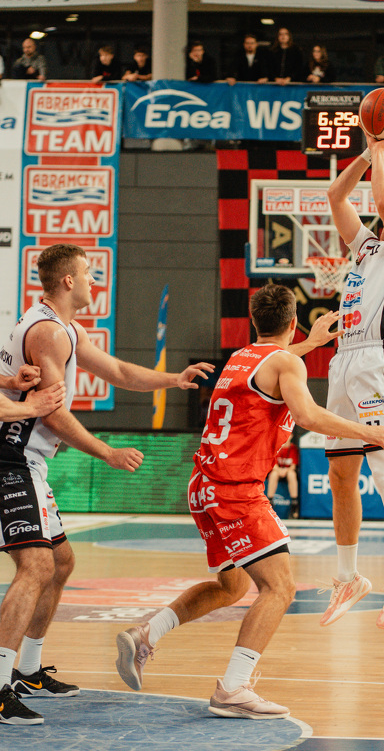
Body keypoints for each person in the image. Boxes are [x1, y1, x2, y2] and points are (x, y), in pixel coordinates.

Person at [114, 290, 384, 719]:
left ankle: (146, 634)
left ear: (254, 322)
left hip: (203, 485)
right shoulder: (286, 364)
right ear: (293, 323)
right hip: (235, 489)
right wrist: (369, 431)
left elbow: (277, 363)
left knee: (231, 587)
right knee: (280, 587)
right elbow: (307, 416)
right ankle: (233, 688)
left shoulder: (241, 357)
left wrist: (310, 344)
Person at [0, 243, 213, 727]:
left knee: (60, 562)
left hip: (28, 461)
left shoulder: (66, 329)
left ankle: (28, 671)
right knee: (36, 565)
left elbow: (116, 371)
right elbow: (52, 414)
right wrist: (107, 452)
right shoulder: (49, 332)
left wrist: (173, 379)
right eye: (89, 273)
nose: (95, 280)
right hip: (10, 459)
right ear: (68, 281)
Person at [321, 127, 384, 630]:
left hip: (380, 363)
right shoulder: (365, 248)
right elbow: (336, 195)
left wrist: (382, 149)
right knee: (342, 473)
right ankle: (348, 577)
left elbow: (381, 200)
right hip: (343, 359)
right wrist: (367, 153)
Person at [267, 434, 299, 518]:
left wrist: (285, 471)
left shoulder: (293, 448)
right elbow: (273, 465)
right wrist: (279, 470)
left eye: (288, 435)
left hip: (288, 472)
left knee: (292, 474)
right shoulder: (277, 447)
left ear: (291, 436)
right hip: (278, 471)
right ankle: (270, 501)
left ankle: (294, 503)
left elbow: (293, 466)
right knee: (273, 474)